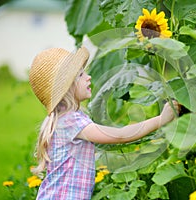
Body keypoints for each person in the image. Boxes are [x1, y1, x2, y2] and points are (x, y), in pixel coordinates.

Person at [29, 46, 180, 199]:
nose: (88, 77)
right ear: (67, 87)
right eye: (80, 75)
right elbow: (119, 136)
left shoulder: (63, 119)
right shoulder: (71, 122)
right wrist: (161, 120)